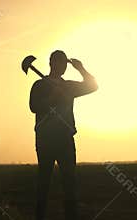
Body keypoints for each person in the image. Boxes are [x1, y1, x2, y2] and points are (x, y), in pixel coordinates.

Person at [29, 50, 98, 220]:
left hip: (65, 139)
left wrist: (81, 68)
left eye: (65, 64)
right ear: (52, 63)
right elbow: (34, 107)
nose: (63, 67)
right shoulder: (39, 85)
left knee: (70, 184)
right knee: (44, 182)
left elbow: (93, 86)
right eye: (60, 63)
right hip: (45, 140)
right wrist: (52, 98)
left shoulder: (68, 86)